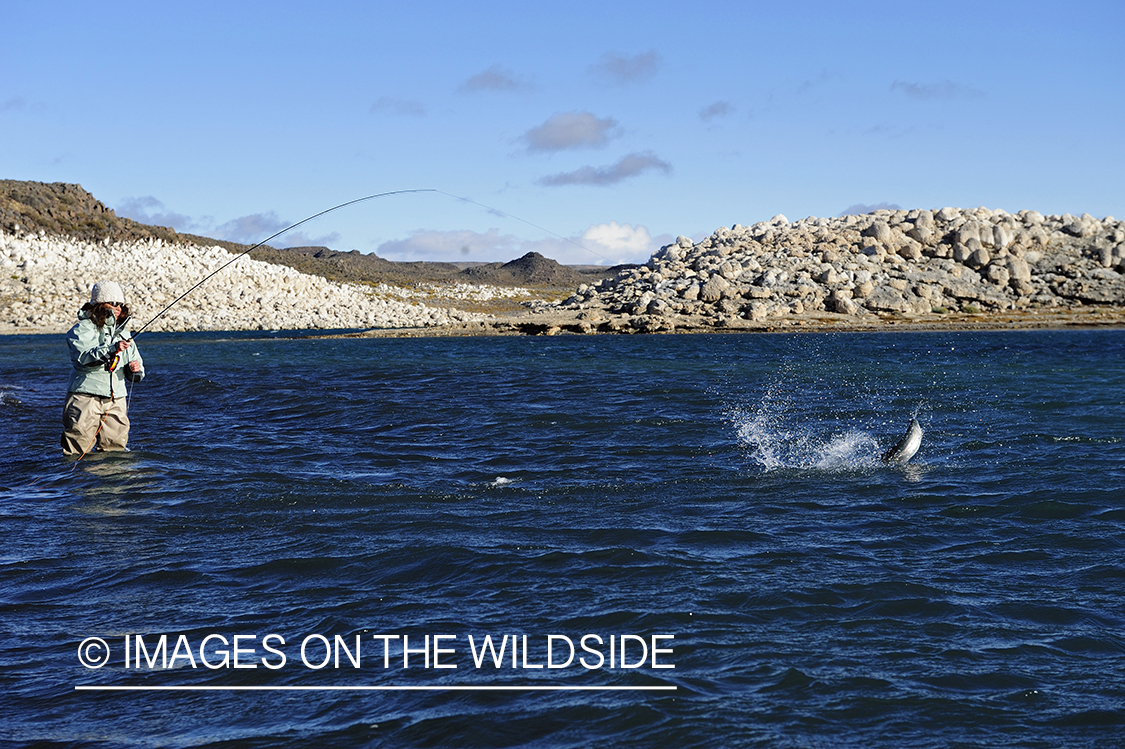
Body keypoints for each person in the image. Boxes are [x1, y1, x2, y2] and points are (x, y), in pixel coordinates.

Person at [61, 280, 145, 457]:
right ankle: (76, 483)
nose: (118, 308)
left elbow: (137, 368)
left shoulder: (125, 334)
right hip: (85, 397)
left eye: (120, 304)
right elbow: (83, 358)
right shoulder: (81, 329)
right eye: (113, 303)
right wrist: (112, 349)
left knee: (115, 452)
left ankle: (110, 484)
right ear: (99, 305)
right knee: (76, 452)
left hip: (117, 401)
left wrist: (135, 370)